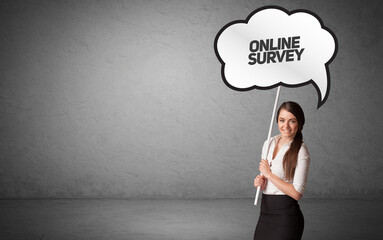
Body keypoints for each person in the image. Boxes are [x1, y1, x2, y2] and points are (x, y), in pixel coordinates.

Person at [253, 101, 310, 240]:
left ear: (299, 123)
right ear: (277, 121)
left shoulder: (301, 151)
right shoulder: (269, 143)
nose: (286, 126)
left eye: (292, 121)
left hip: (287, 217)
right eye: (282, 120)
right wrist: (261, 181)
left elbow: (297, 193)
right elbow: (267, 179)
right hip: (265, 213)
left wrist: (269, 174)